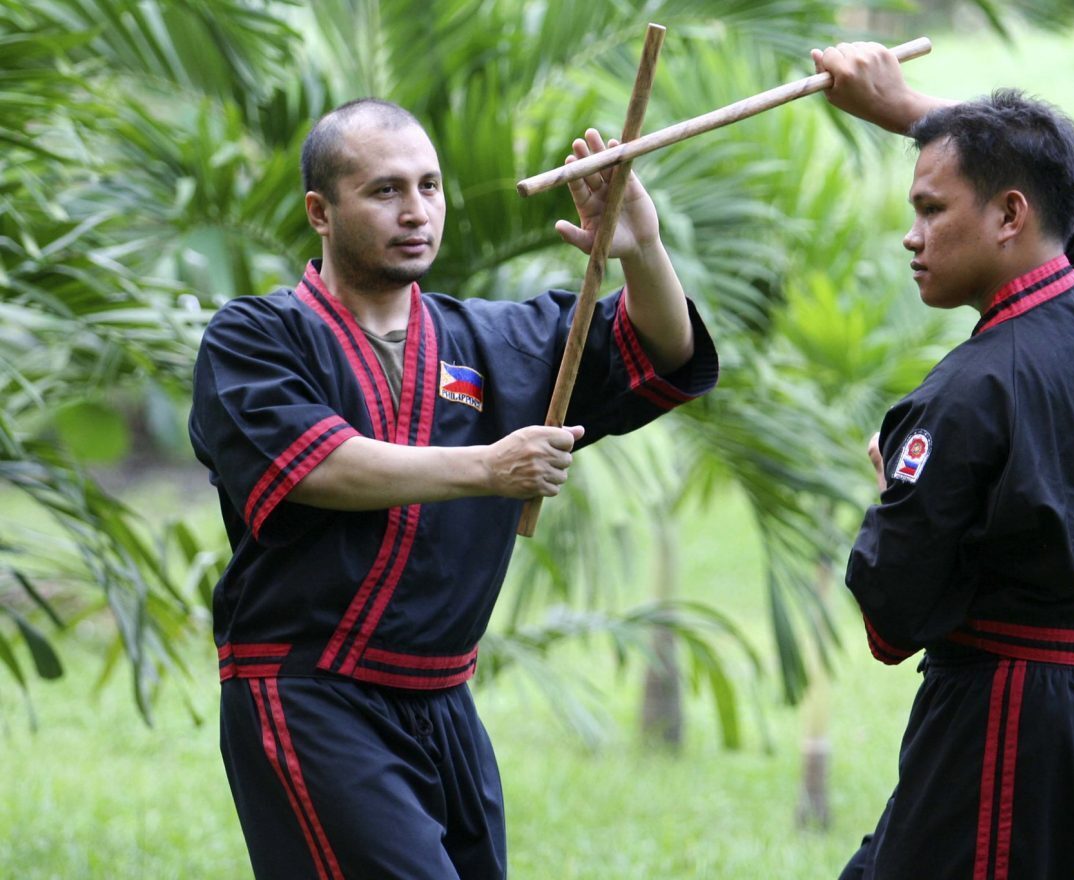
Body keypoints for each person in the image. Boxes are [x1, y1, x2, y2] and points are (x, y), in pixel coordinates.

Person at [188, 98, 718, 879]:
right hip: (309, 694)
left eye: (429, 187)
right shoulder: (255, 339)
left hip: (442, 701)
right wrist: (488, 468)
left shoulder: (493, 339)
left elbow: (661, 351)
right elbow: (318, 466)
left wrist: (641, 249)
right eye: (385, 191)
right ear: (319, 212)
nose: (416, 212)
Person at [810, 43, 1074, 879]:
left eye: (933, 210)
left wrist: (891, 492)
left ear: (1010, 215)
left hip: (1013, 718)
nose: (911, 237)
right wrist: (906, 107)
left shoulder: (961, 398)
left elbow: (891, 625)